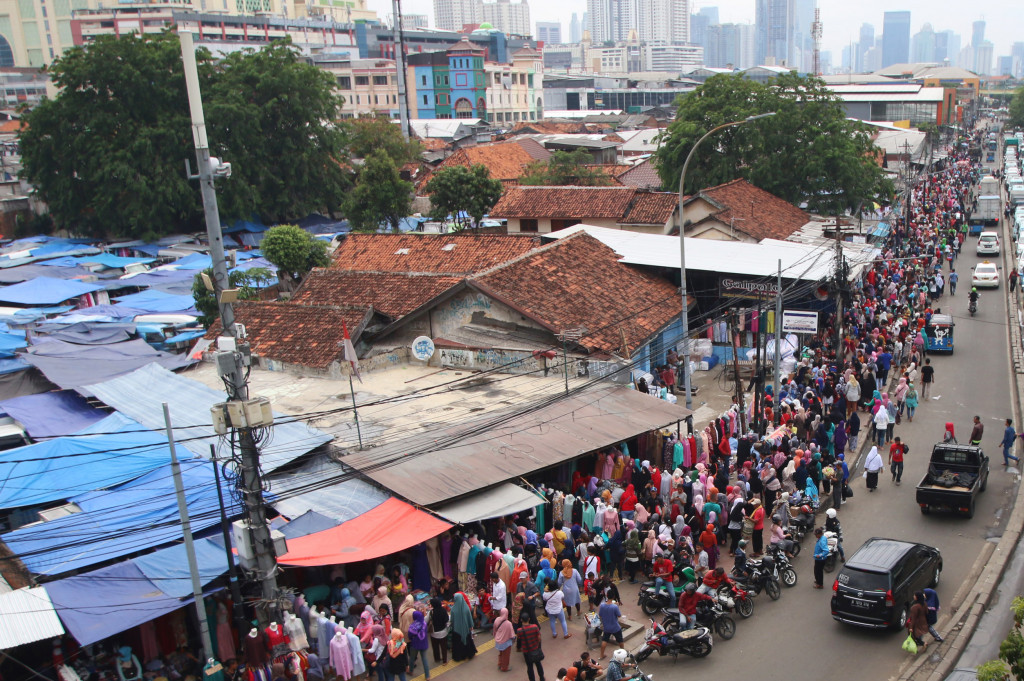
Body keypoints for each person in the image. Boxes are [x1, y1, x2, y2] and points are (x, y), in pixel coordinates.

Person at [517, 614, 545, 681]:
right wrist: (538, 647)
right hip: (535, 649)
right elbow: (539, 638)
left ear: (521, 620)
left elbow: (519, 641)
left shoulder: (519, 630)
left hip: (527, 652)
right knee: (538, 664)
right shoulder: (535, 627)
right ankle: (542, 678)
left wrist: (518, 648)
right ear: (529, 619)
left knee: (529, 667)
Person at [449, 593, 477, 662]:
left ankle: (459, 657)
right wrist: (471, 626)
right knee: (468, 641)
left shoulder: (453, 609)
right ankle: (469, 654)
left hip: (456, 630)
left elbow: (452, 620)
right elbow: (469, 618)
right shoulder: (466, 607)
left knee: (458, 644)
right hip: (466, 629)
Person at [407, 611, 430, 680]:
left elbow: (409, 635)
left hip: (415, 644)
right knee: (424, 659)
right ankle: (427, 676)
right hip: (424, 644)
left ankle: (411, 671)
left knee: (412, 658)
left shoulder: (413, 626)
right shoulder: (424, 623)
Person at [493, 608, 516, 672]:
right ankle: (504, 667)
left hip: (498, 641)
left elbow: (494, 630)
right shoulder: (508, 623)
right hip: (506, 643)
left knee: (501, 653)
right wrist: (514, 639)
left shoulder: (497, 620)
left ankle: (500, 664)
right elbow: (512, 634)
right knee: (506, 656)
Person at [428, 598, 449, 665]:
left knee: (435, 647)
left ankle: (437, 659)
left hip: (434, 633)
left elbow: (425, 620)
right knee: (443, 647)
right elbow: (447, 620)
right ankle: (444, 661)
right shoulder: (443, 610)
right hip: (443, 632)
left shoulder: (431, 612)